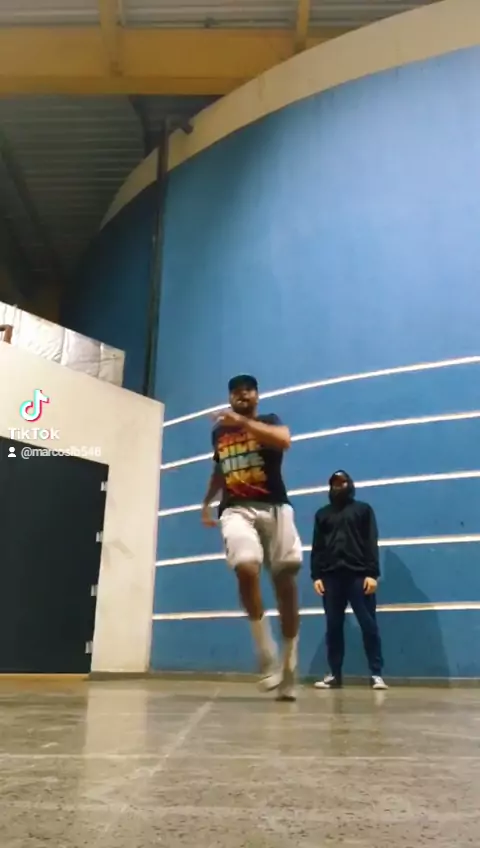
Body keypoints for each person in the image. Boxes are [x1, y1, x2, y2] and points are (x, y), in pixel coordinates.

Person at [201, 374, 302, 701]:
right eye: (235, 392)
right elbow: (221, 470)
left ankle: (289, 665)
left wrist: (243, 423)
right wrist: (206, 501)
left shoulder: (269, 421)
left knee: (285, 584)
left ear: (257, 396)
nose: (241, 395)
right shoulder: (219, 432)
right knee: (245, 567)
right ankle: (266, 655)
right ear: (229, 397)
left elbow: (284, 440)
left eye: (247, 390)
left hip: (275, 507)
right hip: (235, 509)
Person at [310, 470, 388, 690]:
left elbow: (371, 541)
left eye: (343, 482)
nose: (339, 486)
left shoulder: (363, 510)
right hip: (331, 579)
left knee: (368, 625)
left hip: (359, 577)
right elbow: (318, 547)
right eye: (335, 483)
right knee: (333, 627)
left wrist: (372, 574)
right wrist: (316, 576)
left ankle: (376, 674)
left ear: (350, 485)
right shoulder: (322, 515)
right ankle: (335, 675)